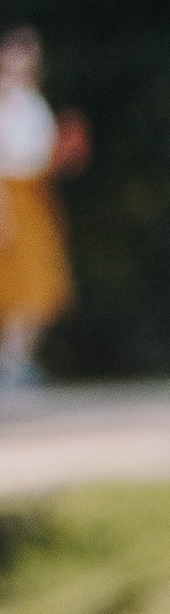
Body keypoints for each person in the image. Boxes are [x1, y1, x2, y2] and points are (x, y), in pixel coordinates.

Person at [0, 29, 79, 392]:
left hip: (35, 196)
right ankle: (12, 367)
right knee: (20, 286)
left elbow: (38, 157)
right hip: (11, 199)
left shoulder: (32, 99)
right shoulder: (5, 100)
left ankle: (17, 364)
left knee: (40, 286)